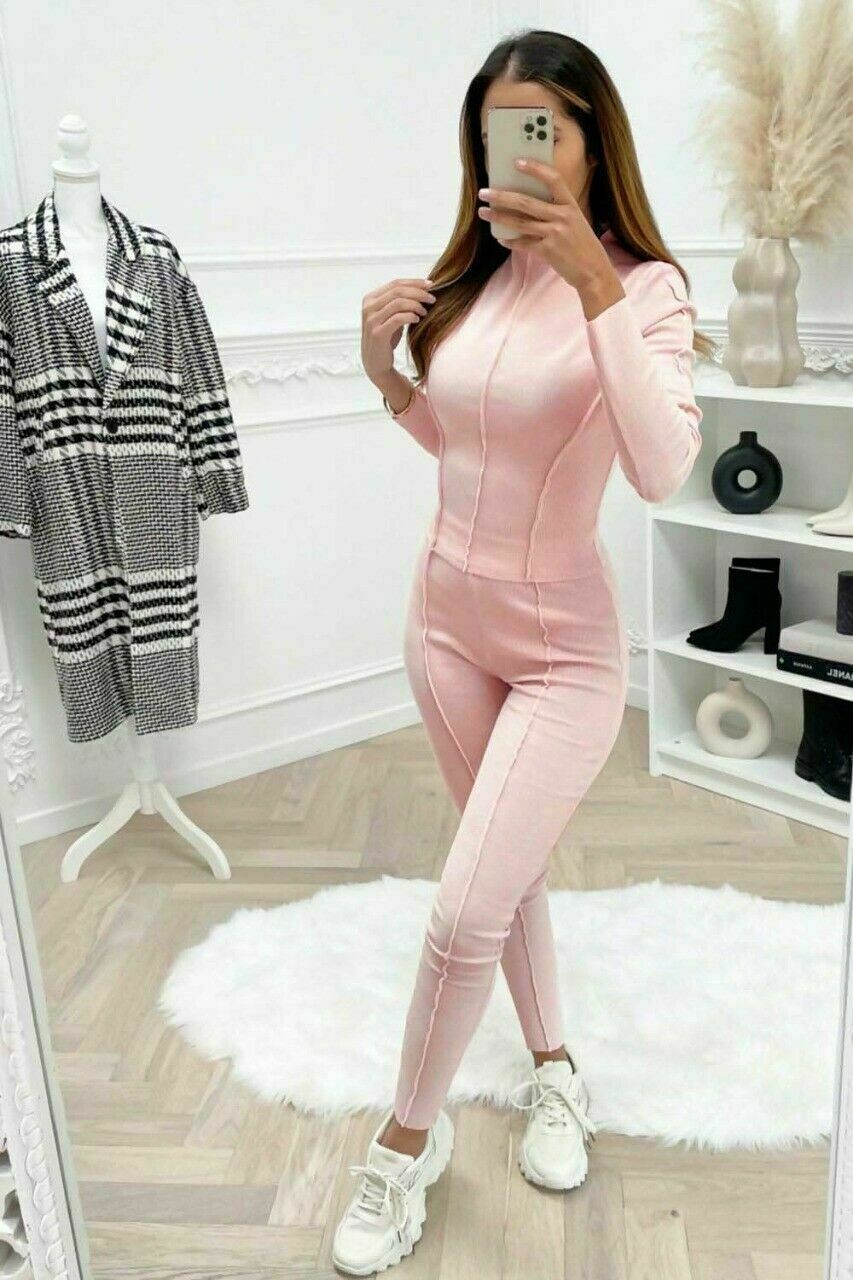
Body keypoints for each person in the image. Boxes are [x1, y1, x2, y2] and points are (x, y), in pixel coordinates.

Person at [333, 27, 709, 1276]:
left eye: (544, 125)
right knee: (505, 872)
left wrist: (597, 289)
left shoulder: (648, 290)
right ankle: (554, 1065)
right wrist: (385, 375)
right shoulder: (478, 276)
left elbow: (661, 469)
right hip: (443, 621)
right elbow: (467, 449)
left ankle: (403, 1142)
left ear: (595, 139)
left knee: (461, 908)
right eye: (500, 130)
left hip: (562, 651)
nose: (521, 153)